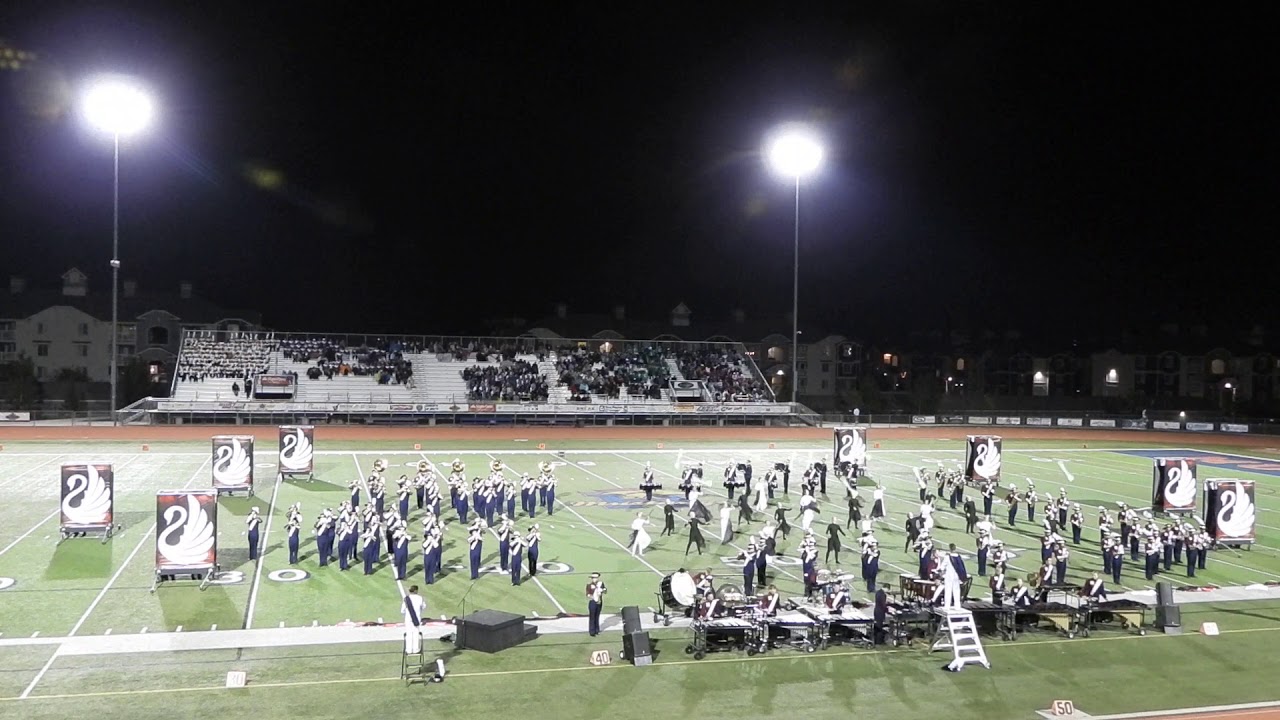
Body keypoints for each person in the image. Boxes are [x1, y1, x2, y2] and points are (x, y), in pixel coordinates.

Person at [403, 585, 426, 654]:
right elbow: (423, 607)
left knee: (409, 634)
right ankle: (415, 649)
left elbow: (402, 610)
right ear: (416, 590)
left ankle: (408, 649)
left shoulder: (407, 599)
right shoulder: (420, 598)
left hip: (408, 618)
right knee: (416, 634)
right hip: (416, 618)